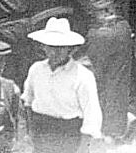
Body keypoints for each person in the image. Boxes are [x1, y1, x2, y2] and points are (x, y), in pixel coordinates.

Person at [48, 0, 132, 142]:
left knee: (100, 82)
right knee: (118, 83)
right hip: (120, 29)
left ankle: (101, 127)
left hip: (99, 33)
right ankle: (117, 129)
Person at [22, 17, 103, 152]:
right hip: (41, 132)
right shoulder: (36, 69)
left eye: (60, 48)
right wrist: (31, 132)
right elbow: (28, 101)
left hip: (68, 134)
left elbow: (91, 112)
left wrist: (84, 147)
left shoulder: (82, 75)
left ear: (69, 49)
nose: (55, 52)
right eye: (51, 47)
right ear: (43, 47)